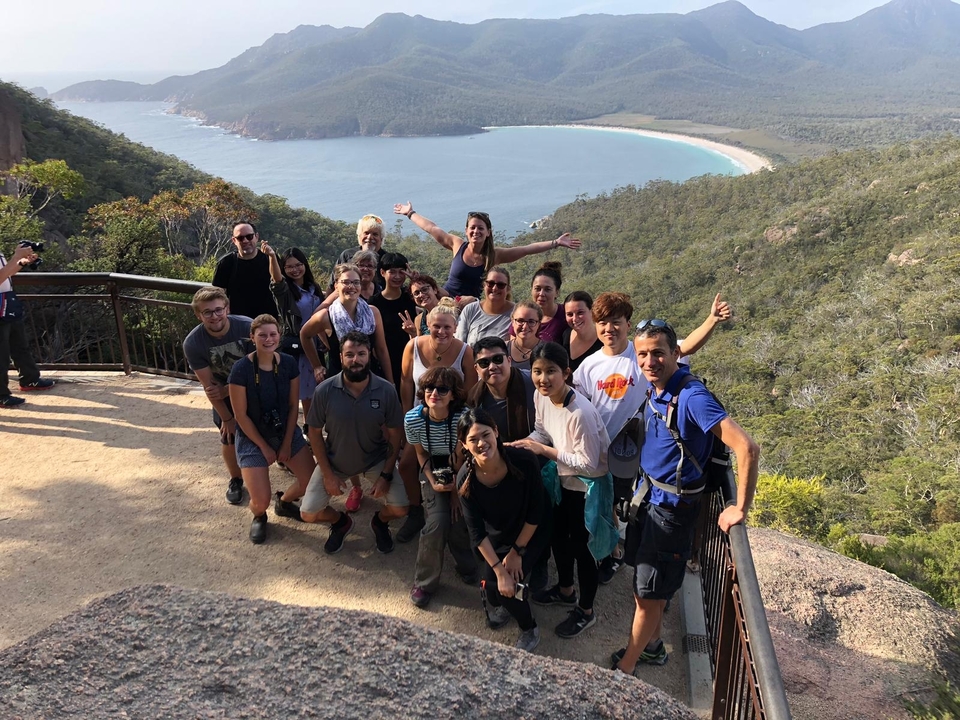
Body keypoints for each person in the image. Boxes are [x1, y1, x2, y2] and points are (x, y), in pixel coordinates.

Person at [612, 319, 759, 674]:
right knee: (644, 587)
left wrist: (740, 507)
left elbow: (747, 447)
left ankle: (626, 670)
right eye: (643, 354)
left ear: (676, 353)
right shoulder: (658, 386)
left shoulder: (692, 397)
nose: (649, 361)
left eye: (658, 353)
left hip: (671, 514)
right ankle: (653, 646)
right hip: (648, 501)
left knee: (648, 596)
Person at [573, 292, 731, 585]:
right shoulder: (588, 366)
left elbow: (685, 347)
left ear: (628, 325)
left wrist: (711, 320)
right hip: (602, 450)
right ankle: (612, 554)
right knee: (606, 506)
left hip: (640, 452)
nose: (609, 329)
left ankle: (637, 566)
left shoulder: (643, 353)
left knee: (628, 506)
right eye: (603, 323)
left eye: (616, 322)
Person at [508, 342, 616, 639]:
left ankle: (586, 610)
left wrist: (542, 450)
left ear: (566, 373)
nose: (543, 379)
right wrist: (523, 444)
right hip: (562, 479)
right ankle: (566, 590)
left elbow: (588, 463)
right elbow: (542, 431)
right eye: (537, 371)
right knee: (558, 537)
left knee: (584, 549)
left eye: (551, 372)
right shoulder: (541, 396)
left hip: (587, 486)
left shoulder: (579, 412)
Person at [302, 331, 408, 554]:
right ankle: (341, 523)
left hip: (375, 458)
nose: (355, 360)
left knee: (400, 508)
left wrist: (387, 475)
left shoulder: (386, 390)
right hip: (335, 461)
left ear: (369, 355)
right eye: (349, 354)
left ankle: (379, 522)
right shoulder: (324, 390)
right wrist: (328, 474)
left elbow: (395, 434)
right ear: (340, 357)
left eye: (361, 354)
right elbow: (314, 432)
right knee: (308, 513)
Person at [456, 407, 553, 652]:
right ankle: (506, 597)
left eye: (485, 435)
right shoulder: (465, 480)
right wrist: (499, 569)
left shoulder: (523, 460)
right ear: (464, 445)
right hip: (497, 535)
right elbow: (476, 532)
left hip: (532, 530)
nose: (481, 443)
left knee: (509, 590)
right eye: (473, 439)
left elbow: (536, 511)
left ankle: (528, 627)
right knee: (495, 588)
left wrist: (517, 552)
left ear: (496, 432)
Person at [226, 314, 316, 544]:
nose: (268, 339)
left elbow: (292, 406)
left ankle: (285, 502)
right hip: (252, 436)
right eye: (262, 335)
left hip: (284, 429)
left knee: (312, 482)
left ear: (279, 336)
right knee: (260, 500)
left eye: (273, 334)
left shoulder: (287, 363)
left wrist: (286, 443)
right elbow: (240, 416)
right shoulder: (241, 369)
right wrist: (264, 447)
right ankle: (259, 515)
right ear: (252, 337)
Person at [397, 299, 477, 543]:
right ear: (427, 326)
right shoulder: (413, 346)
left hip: (453, 419)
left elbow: (470, 390)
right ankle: (415, 509)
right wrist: (406, 417)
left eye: (447, 327)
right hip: (421, 418)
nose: (441, 332)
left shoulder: (464, 350)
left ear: (454, 327)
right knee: (408, 465)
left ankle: (458, 507)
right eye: (436, 326)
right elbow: (406, 382)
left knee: (457, 464)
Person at [393, 203, 582, 298]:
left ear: (488, 232)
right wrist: (410, 213)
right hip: (445, 298)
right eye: (472, 228)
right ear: (466, 231)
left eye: (480, 228)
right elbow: (431, 228)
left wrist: (556, 242)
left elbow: (526, 249)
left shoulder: (494, 255)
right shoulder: (457, 244)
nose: (476, 231)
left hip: (472, 306)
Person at [405, 366, 477, 608]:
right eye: (429, 388)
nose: (434, 393)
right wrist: (431, 480)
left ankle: (467, 564)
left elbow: (463, 458)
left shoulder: (463, 418)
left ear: (453, 394)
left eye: (442, 389)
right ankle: (424, 582)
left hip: (462, 468)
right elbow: (420, 452)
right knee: (437, 522)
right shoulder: (413, 419)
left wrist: (456, 492)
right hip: (432, 468)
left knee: (460, 520)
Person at [183, 287, 252, 505]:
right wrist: (227, 418)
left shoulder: (247, 326)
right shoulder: (194, 343)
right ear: (198, 315)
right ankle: (236, 479)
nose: (215, 316)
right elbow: (210, 387)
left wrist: (229, 387)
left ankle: (281, 458)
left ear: (227, 308)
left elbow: (261, 366)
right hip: (225, 397)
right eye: (208, 312)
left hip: (255, 388)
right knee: (229, 436)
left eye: (218, 310)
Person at [300, 264, 393, 387]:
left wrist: (390, 382)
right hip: (338, 382)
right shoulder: (326, 316)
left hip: (369, 378)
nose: (351, 286)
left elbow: (381, 350)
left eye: (356, 282)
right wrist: (316, 366)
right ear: (336, 286)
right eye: (346, 282)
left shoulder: (372, 313)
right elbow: (304, 335)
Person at [268, 246, 323, 419]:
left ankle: (311, 431)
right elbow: (276, 281)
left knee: (315, 393)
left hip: (316, 345)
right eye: (289, 266)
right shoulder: (285, 292)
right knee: (301, 393)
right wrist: (271, 257)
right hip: (297, 348)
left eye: (298, 265)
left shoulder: (313, 287)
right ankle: (300, 433)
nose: (295, 269)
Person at [0, 244, 55, 408]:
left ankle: (30, 379)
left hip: (7, 301)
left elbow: (5, 275)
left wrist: (21, 262)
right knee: (1, 355)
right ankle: (1, 395)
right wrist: (16, 257)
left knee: (20, 345)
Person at [466, 337, 535, 443]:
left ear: (509, 361)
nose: (492, 367)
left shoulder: (534, 384)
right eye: (484, 363)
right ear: (476, 369)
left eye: (497, 359)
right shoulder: (474, 400)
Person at [369, 252, 418, 399]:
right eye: (392, 272)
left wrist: (416, 280)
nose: (398, 277)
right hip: (384, 360)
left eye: (401, 272)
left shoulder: (411, 297)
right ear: (382, 273)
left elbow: (440, 299)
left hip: (411, 358)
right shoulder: (374, 303)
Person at [212, 223, 278, 320]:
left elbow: (280, 284)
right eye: (240, 238)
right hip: (236, 321)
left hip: (267, 321)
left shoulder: (270, 259)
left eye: (249, 236)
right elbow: (217, 294)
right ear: (234, 240)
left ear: (256, 237)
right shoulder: (226, 263)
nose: (245, 241)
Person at [455, 267, 515, 347]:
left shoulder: (516, 313)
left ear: (508, 289)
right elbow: (459, 344)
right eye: (491, 283)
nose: (494, 288)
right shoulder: (470, 310)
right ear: (484, 285)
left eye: (500, 285)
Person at [328, 214, 387, 293]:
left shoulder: (387, 260)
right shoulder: (347, 255)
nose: (369, 237)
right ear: (359, 235)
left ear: (381, 238)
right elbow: (332, 284)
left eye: (375, 234)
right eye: (366, 233)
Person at [561, 291, 602, 374]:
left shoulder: (603, 342)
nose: (575, 319)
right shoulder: (566, 335)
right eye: (569, 314)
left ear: (592, 311)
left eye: (580, 313)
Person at [527, 262, 568, 343]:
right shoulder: (523, 315)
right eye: (537, 288)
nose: (541, 294)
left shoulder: (567, 315)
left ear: (557, 292)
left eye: (547, 289)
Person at [507, 300, 543, 371]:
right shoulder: (502, 349)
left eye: (531, 322)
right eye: (520, 321)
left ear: (539, 324)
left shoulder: (548, 350)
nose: (525, 326)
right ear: (512, 322)